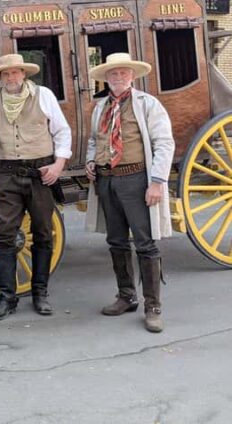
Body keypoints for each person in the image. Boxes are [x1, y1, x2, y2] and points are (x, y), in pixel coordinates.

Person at [0, 54, 71, 320]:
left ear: (24, 74)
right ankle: (7, 298)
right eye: (6, 74)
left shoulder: (43, 95)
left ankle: (40, 294)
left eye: (15, 73)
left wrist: (59, 165)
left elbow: (62, 131)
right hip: (9, 174)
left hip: (41, 173)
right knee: (4, 236)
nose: (11, 78)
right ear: (1, 78)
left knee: (43, 233)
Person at [85, 52, 174, 333]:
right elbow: (93, 140)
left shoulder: (148, 104)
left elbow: (164, 143)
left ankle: (153, 306)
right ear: (107, 78)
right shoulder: (100, 108)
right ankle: (127, 296)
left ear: (132, 77)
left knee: (145, 243)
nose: (118, 78)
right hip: (107, 180)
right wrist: (90, 161)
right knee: (117, 241)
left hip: (136, 179)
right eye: (113, 74)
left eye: (123, 73)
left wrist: (157, 181)